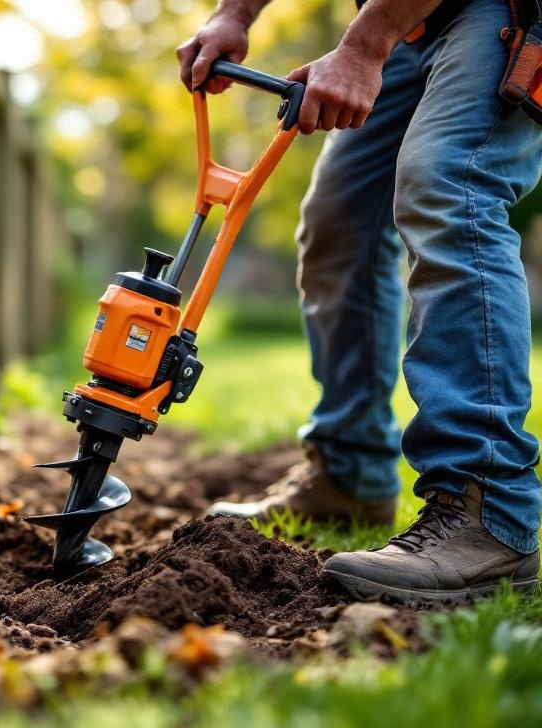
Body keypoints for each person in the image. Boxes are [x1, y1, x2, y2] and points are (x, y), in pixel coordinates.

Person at [179, 0, 542, 601]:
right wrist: (233, 16)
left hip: (498, 7)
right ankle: (351, 473)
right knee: (339, 218)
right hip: (411, 21)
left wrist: (363, 47)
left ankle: (488, 512)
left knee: (449, 182)